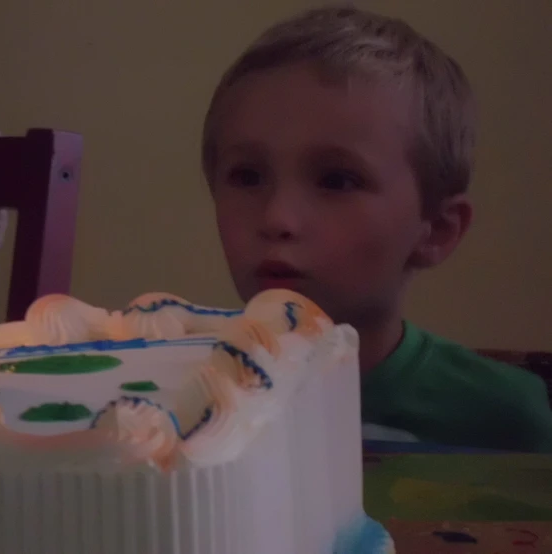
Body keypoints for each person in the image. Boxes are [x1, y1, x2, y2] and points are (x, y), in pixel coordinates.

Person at [202, 6, 552, 452]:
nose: (277, 218)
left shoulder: (504, 419)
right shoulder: (178, 395)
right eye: (247, 176)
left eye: (337, 180)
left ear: (437, 231)